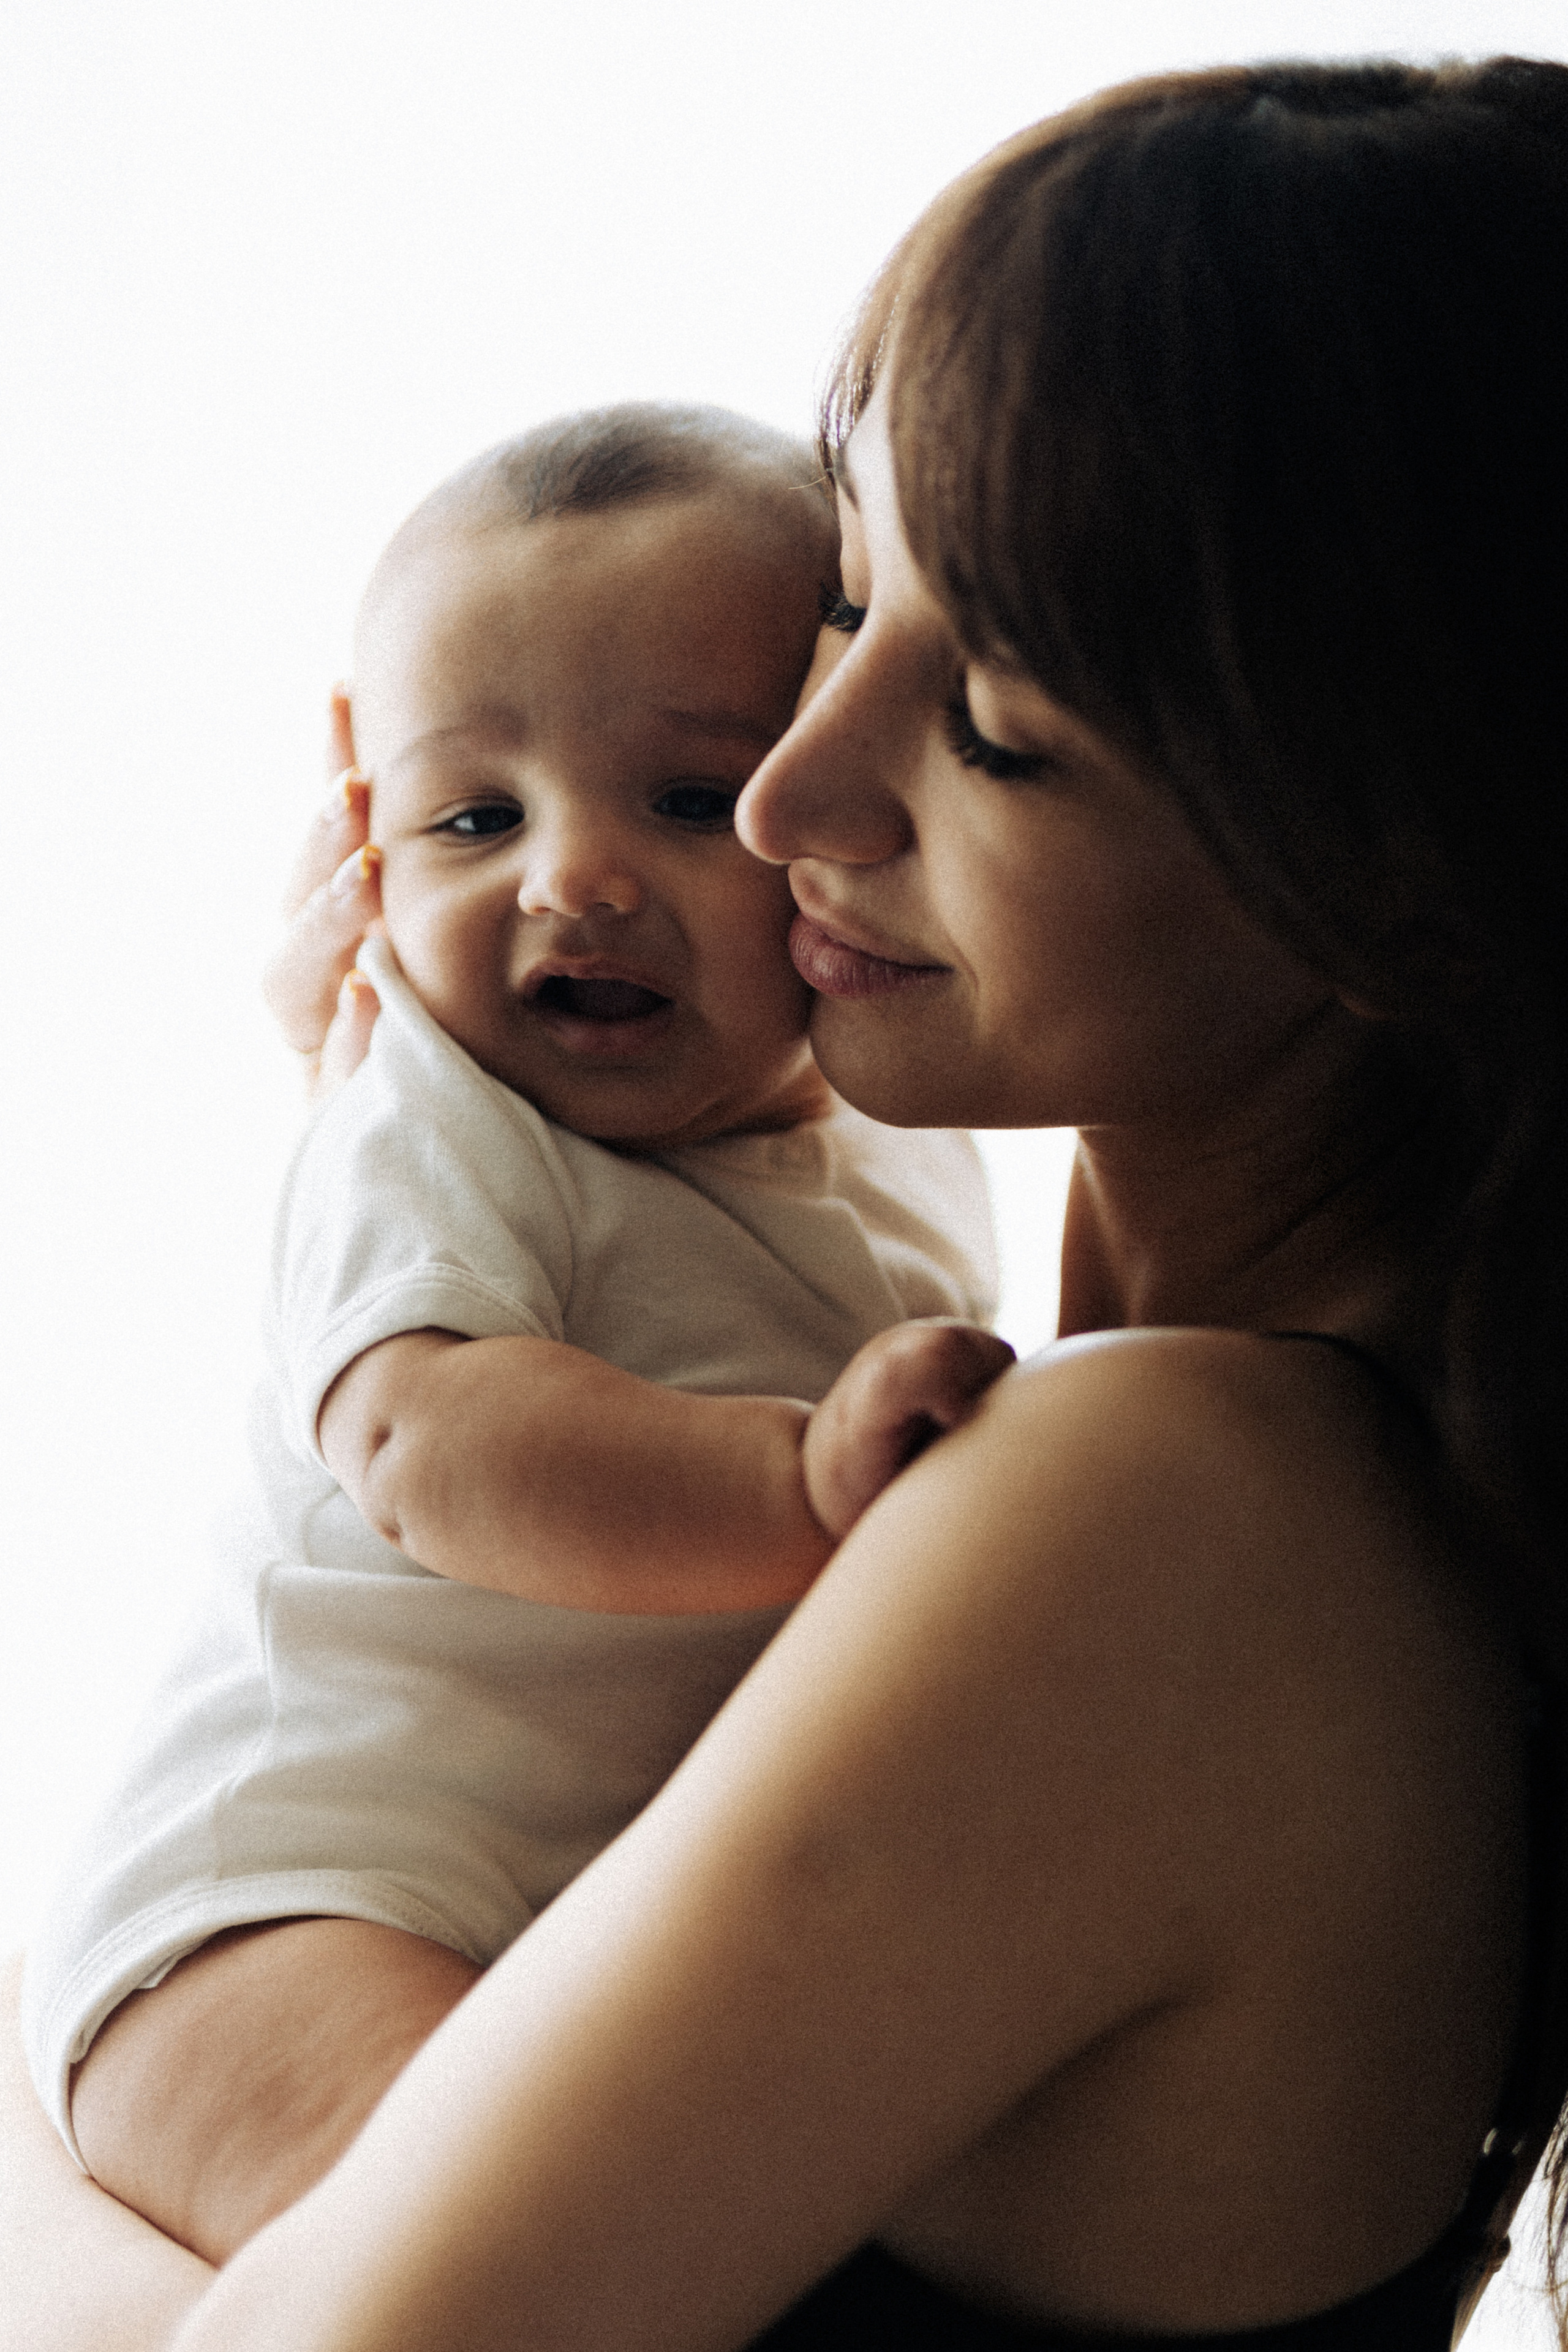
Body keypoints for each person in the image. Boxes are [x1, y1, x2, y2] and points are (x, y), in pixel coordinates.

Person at [6, 50, 1568, 2352]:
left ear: (1392, 859)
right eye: (850, 608)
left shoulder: (1178, 1506)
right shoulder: (1222, 1454)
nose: (786, 792)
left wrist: (41, 2165)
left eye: (1003, 725)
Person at [16, 402, 1006, 2272]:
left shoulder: (895, 1129)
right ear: (362, 812)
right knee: (528, 2269)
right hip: (288, 1911)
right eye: (476, 814)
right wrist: (802, 1478)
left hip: (581, 1930)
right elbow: (431, 1437)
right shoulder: (432, 1109)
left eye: (692, 802)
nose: (572, 879)